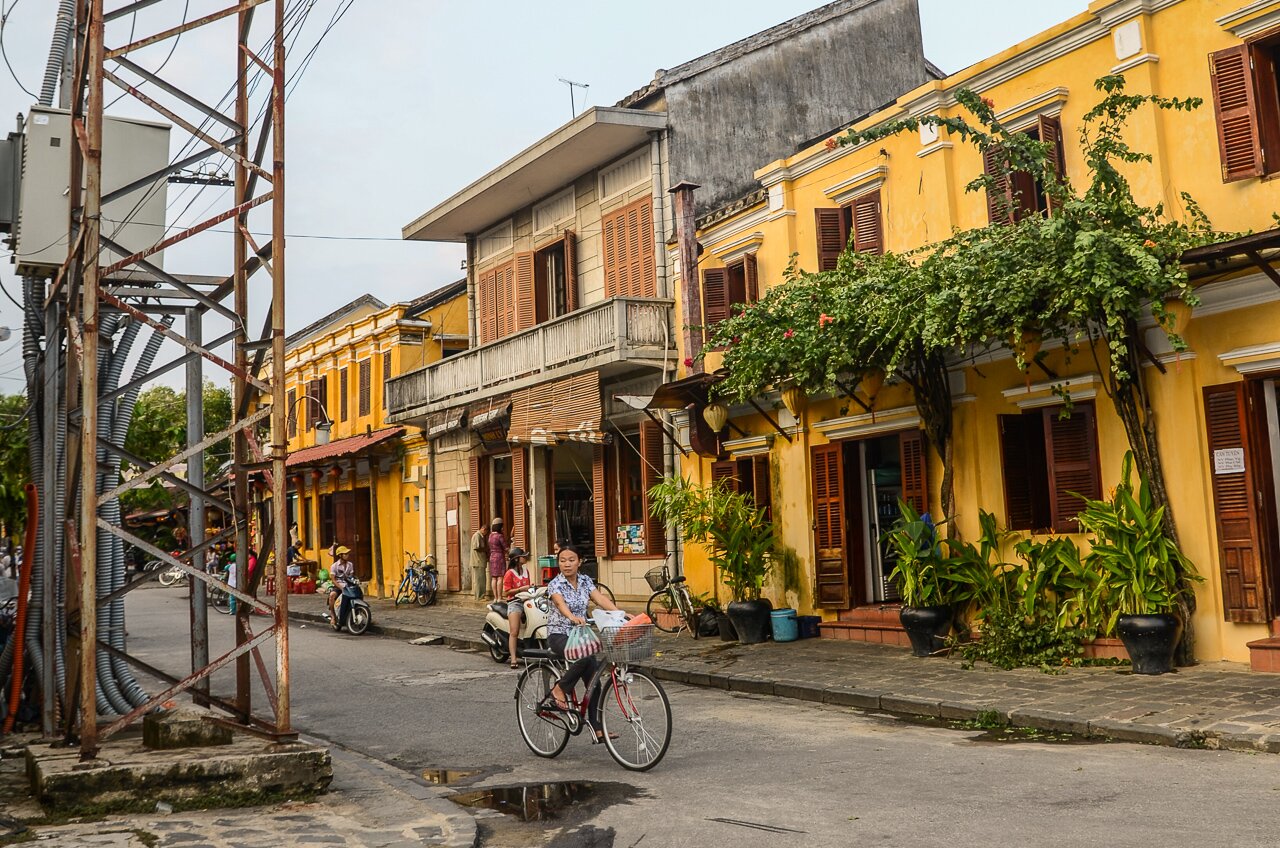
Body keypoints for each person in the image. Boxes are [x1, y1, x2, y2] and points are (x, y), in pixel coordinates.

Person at [546, 544, 626, 743]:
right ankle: (559, 689)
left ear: (580, 562)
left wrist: (619, 614)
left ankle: (597, 729)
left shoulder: (585, 581)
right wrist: (572, 617)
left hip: (581, 635)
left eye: (571, 560)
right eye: (563, 560)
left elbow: (599, 599)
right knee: (584, 657)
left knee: (594, 679)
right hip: (560, 634)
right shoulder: (555, 584)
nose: (567, 564)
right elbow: (559, 603)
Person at [503, 547, 533, 669]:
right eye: (523, 556)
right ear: (516, 559)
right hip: (515, 602)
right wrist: (521, 589)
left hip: (528, 600)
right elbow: (506, 592)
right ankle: (514, 658)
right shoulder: (509, 573)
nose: (525, 558)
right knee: (514, 631)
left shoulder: (526, 571)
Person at [327, 543, 355, 622]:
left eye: (347, 554)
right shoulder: (334, 566)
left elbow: (351, 576)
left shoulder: (350, 565)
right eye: (345, 554)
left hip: (348, 586)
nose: (347, 555)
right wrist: (341, 588)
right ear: (340, 555)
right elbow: (333, 579)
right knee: (332, 596)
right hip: (338, 586)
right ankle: (333, 616)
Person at [487, 518, 507, 602]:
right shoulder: (499, 536)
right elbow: (505, 547)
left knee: (494, 578)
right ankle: (499, 597)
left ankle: (495, 597)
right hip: (499, 557)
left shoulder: (490, 536)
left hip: (492, 556)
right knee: (500, 577)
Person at [470, 523, 488, 600]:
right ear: (484, 529)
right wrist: (485, 549)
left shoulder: (480, 536)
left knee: (481, 579)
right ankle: (479, 596)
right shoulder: (477, 535)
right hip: (478, 561)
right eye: (486, 532)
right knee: (479, 580)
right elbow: (476, 547)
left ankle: (480, 595)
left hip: (479, 561)